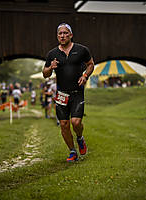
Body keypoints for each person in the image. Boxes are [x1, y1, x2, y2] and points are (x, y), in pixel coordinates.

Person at [42, 23, 94, 162]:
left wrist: (85, 76)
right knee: (64, 125)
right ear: (57, 36)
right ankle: (72, 151)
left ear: (71, 35)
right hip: (61, 94)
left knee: (76, 123)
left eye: (65, 33)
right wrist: (50, 68)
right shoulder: (52, 54)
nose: (63, 36)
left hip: (77, 92)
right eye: (60, 33)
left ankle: (80, 138)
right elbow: (45, 74)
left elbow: (90, 64)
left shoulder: (82, 50)